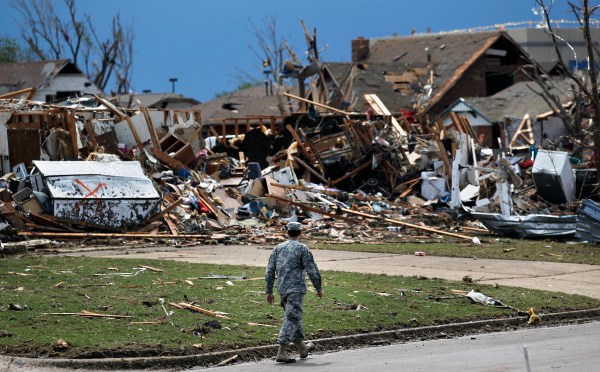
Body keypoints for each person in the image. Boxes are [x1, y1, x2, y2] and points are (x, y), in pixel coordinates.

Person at [265, 221, 323, 363]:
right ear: (300, 233)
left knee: (294, 316)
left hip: (282, 289)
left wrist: (269, 290)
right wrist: (318, 287)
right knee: (291, 318)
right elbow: (312, 270)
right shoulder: (302, 248)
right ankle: (281, 352)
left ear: (287, 232)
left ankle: (302, 348)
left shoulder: (278, 248)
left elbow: (269, 271)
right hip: (296, 289)